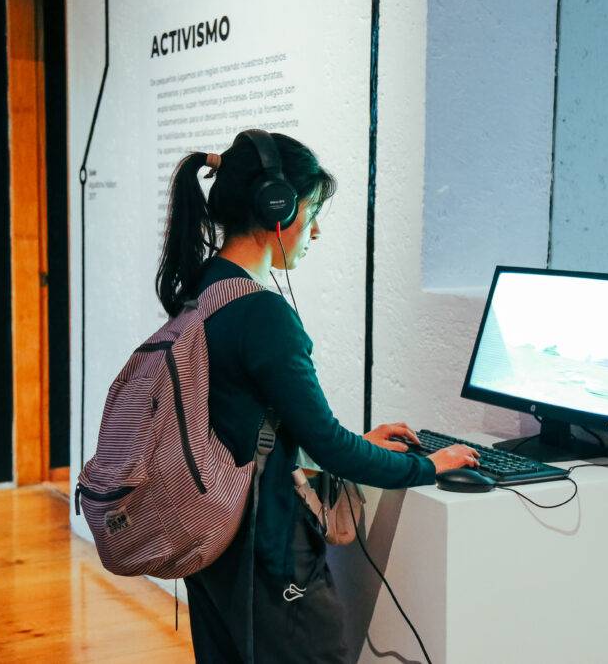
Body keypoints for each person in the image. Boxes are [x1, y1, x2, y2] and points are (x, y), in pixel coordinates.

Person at [155, 129, 477, 663]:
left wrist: (356, 440)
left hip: (215, 544)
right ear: (277, 210)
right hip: (268, 551)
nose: (317, 232)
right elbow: (326, 445)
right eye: (313, 212)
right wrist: (431, 466)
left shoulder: (206, 287)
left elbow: (254, 424)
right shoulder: (262, 315)